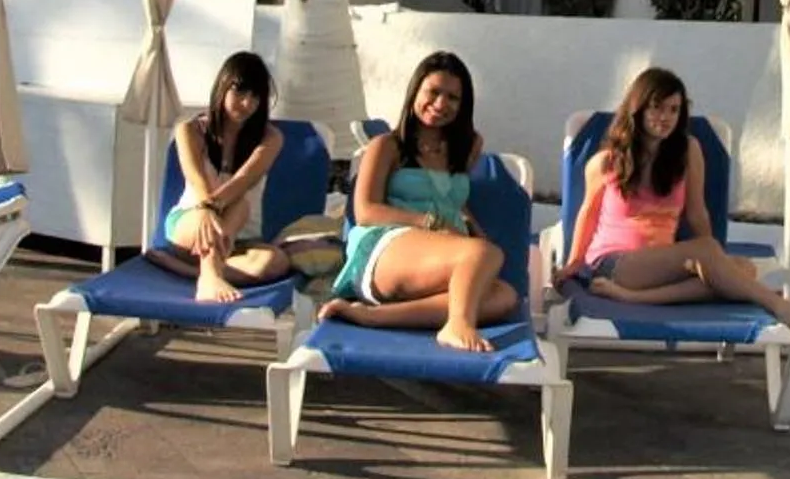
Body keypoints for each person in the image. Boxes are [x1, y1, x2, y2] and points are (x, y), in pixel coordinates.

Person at [558, 67, 790, 336]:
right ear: (639, 108)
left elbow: (696, 213)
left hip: (662, 265)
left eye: (673, 109)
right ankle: (781, 306)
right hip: (615, 263)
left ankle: (632, 298)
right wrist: (573, 263)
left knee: (743, 271)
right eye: (657, 107)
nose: (665, 117)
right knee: (722, 269)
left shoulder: (688, 151)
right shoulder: (607, 162)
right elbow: (588, 213)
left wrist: (715, 261)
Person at [319, 52, 517, 353]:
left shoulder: (467, 146)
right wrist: (430, 223)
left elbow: (452, 200)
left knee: (504, 295)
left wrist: (477, 235)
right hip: (385, 247)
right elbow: (366, 211)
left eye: (452, 97)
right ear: (415, 91)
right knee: (483, 256)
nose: (440, 104)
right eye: (433, 92)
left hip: (439, 256)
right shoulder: (386, 146)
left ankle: (374, 317)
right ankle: (458, 324)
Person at [144, 49, 292, 304]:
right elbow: (196, 178)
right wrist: (206, 209)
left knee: (276, 262)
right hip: (191, 223)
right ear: (222, 88)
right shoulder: (189, 130)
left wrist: (212, 207)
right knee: (238, 206)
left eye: (255, 96)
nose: (247, 103)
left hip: (237, 238)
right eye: (240, 92)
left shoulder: (270, 138)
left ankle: (195, 272)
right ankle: (210, 274)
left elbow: (244, 180)